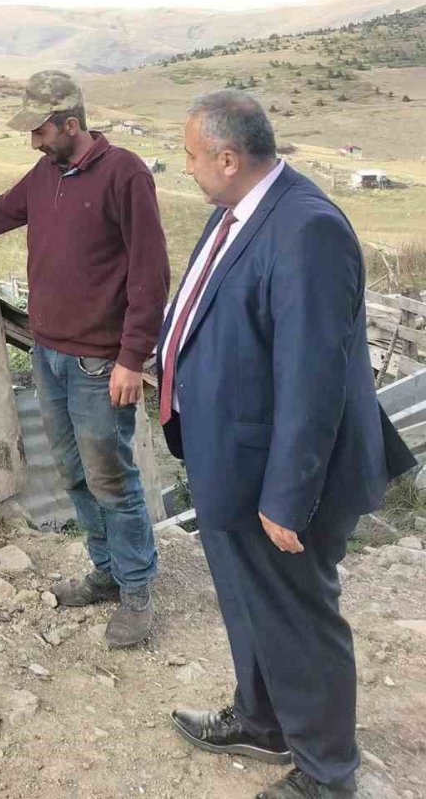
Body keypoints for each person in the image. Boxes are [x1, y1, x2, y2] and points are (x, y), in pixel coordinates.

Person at [162, 92, 415, 798]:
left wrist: (287, 497)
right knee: (251, 603)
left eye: (189, 155)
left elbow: (313, 376)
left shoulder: (306, 228)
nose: (184, 167)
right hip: (231, 459)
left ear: (228, 157)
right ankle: (263, 719)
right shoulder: (236, 212)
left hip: (281, 476)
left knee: (299, 615)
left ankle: (328, 770)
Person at [0, 70, 170, 647]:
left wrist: (131, 358)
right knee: (73, 472)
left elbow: (150, 273)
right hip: (50, 355)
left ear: (71, 124)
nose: (34, 141)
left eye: (40, 130)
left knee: (110, 477)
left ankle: (137, 588)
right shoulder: (46, 174)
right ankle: (107, 574)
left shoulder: (126, 174)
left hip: (98, 362)